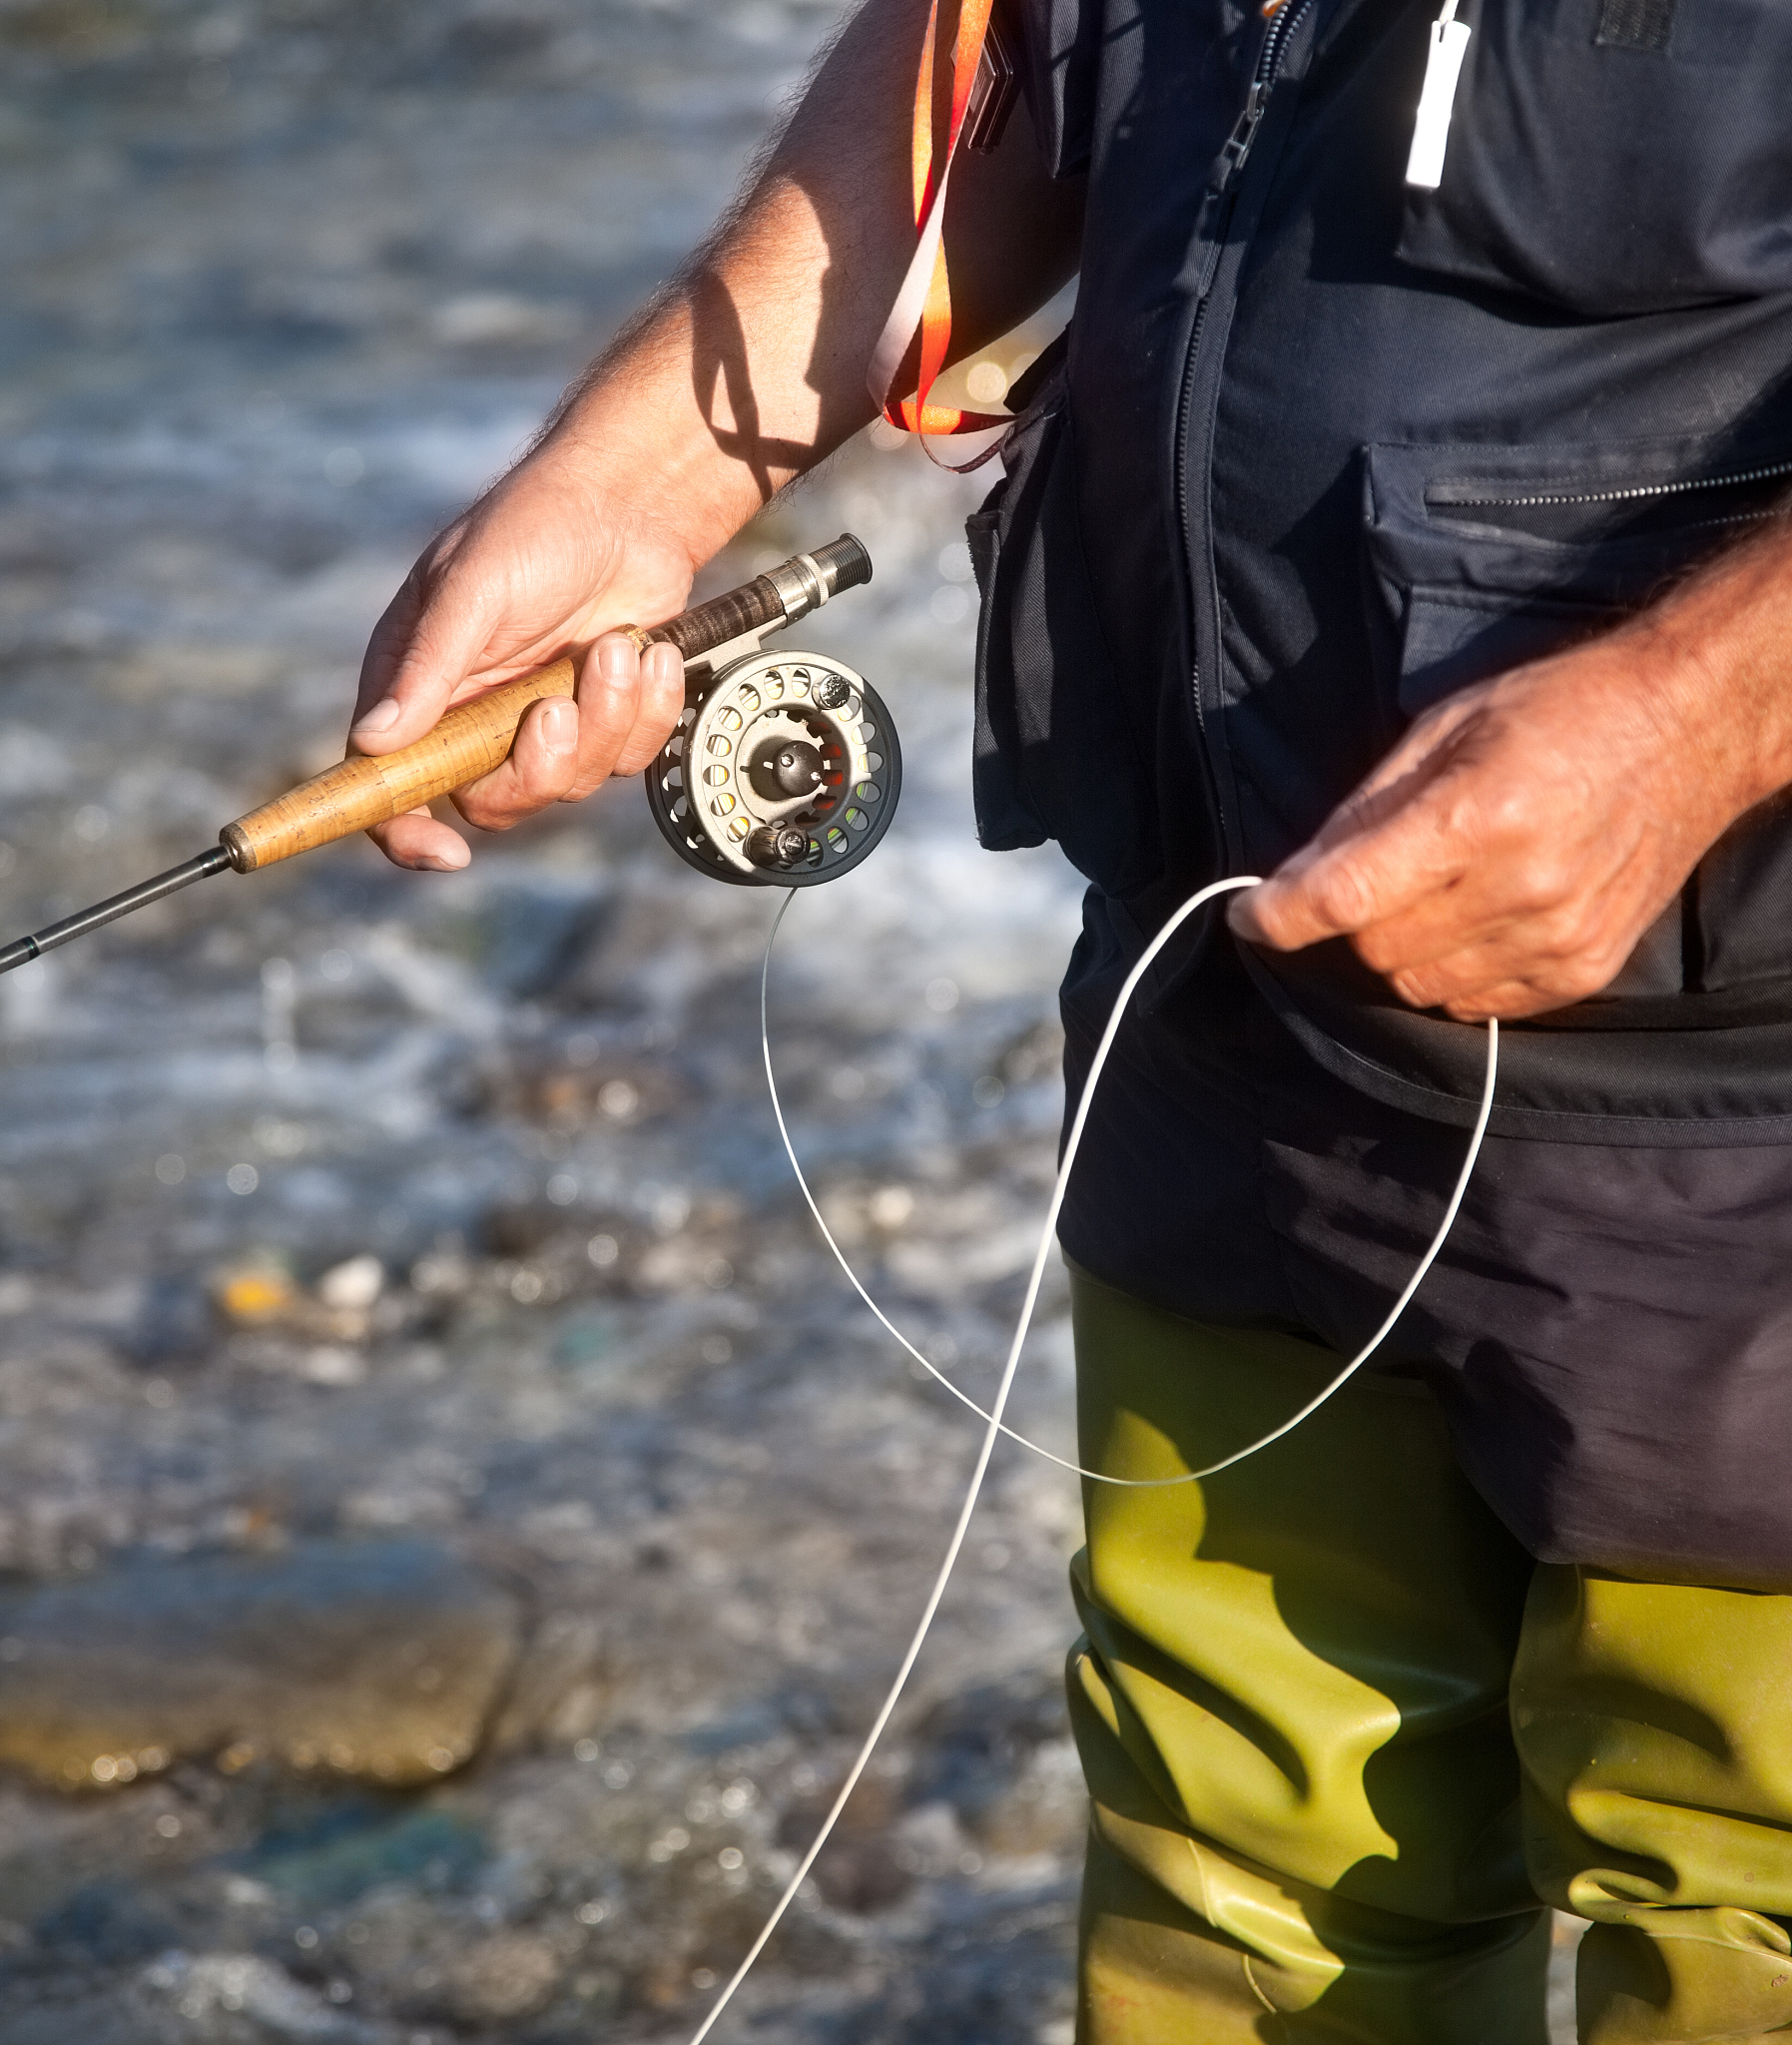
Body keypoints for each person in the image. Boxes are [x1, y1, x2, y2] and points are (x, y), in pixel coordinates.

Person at [344, 1, 1792, 2038]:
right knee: (1232, 1902)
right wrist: (653, 466)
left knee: (1740, 1943)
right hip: (1223, 1020)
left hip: (1743, 1145)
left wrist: (1696, 717)